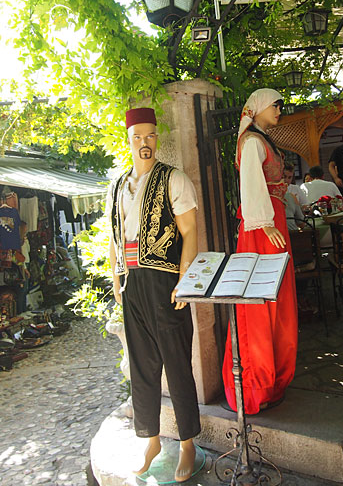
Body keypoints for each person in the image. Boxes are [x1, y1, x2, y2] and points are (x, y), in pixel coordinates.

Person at [107, 107, 200, 482]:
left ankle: (188, 442)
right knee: (142, 368)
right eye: (137, 137)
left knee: (177, 365)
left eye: (150, 136)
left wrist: (185, 279)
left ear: (156, 137)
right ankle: (152, 440)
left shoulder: (174, 179)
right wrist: (116, 276)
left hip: (165, 281)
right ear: (129, 140)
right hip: (131, 284)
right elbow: (114, 235)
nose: (144, 143)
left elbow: (190, 231)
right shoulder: (117, 186)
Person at [222, 89, 298, 415]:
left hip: (271, 223)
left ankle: (273, 378)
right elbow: (251, 187)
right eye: (274, 105)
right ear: (259, 107)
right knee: (262, 304)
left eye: (280, 105)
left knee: (277, 302)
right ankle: (256, 383)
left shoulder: (263, 140)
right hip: (262, 228)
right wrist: (265, 224)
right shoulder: (253, 142)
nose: (279, 110)